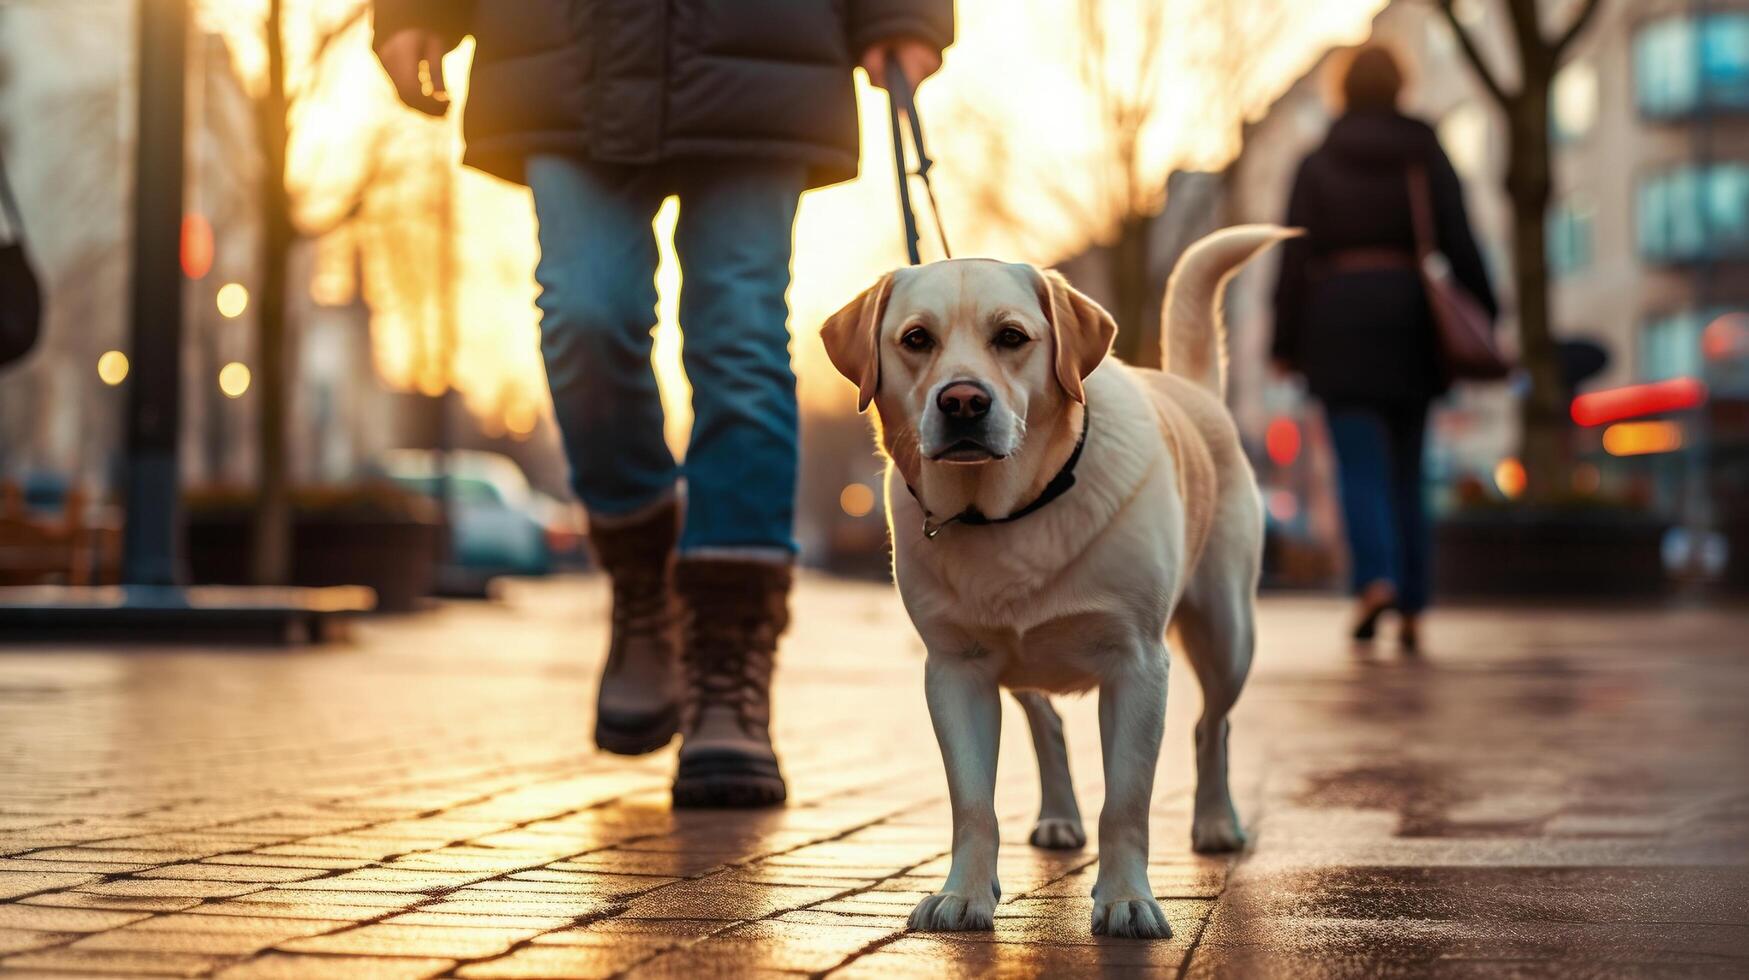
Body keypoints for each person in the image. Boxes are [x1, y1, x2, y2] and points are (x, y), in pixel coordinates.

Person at [373, 1, 953, 806]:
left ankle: (728, 661)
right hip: (568, 47)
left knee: (741, 338)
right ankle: (643, 575)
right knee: (584, 315)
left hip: (761, 47)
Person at [1270, 44, 1497, 654]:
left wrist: (1283, 342)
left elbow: (1293, 260)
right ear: (1401, 85)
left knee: (1359, 467)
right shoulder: (1424, 151)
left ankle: (1375, 579)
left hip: (1337, 323)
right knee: (1408, 470)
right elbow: (1461, 237)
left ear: (1344, 90)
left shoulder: (1316, 162)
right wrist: (1486, 313)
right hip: (1410, 321)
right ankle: (1415, 605)